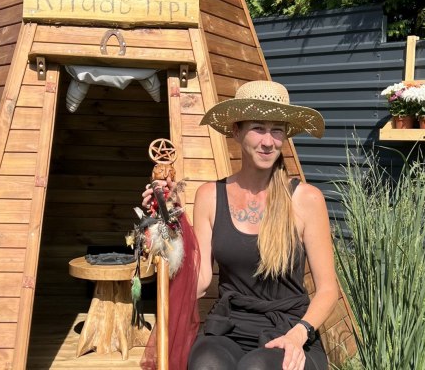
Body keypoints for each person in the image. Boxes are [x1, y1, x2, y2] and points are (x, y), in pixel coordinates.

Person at [143, 80, 339, 370]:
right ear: (236, 131)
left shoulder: (306, 199)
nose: (268, 141)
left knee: (256, 368)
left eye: (277, 130)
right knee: (205, 363)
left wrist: (300, 334)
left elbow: (327, 289)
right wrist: (167, 219)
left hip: (290, 330)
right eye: (258, 128)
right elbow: (199, 282)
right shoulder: (210, 196)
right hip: (229, 328)